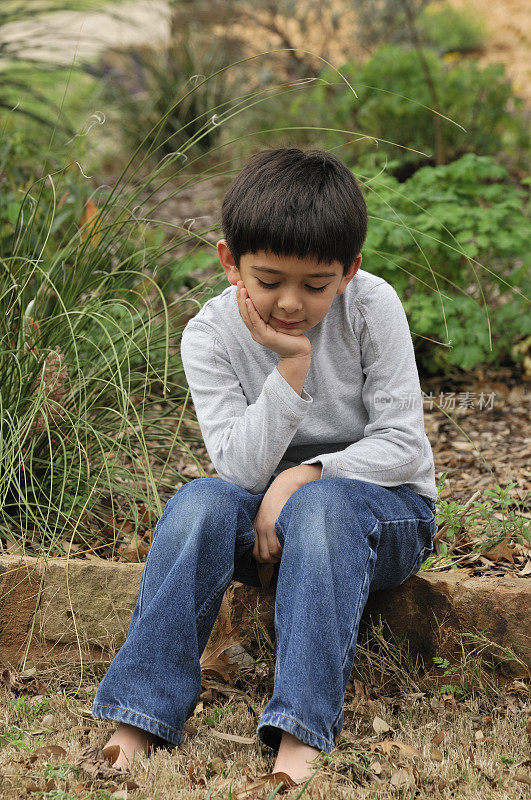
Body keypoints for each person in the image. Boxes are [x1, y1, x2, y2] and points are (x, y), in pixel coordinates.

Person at [92, 147, 438, 784]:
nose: (289, 304)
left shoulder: (373, 306)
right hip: (263, 517)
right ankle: (140, 712)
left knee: (323, 506)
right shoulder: (209, 335)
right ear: (230, 261)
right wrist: (290, 369)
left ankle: (300, 729)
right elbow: (238, 469)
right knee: (198, 503)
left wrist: (305, 474)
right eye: (269, 280)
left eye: (315, 285)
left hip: (378, 511)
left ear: (349, 270)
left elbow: (403, 444)